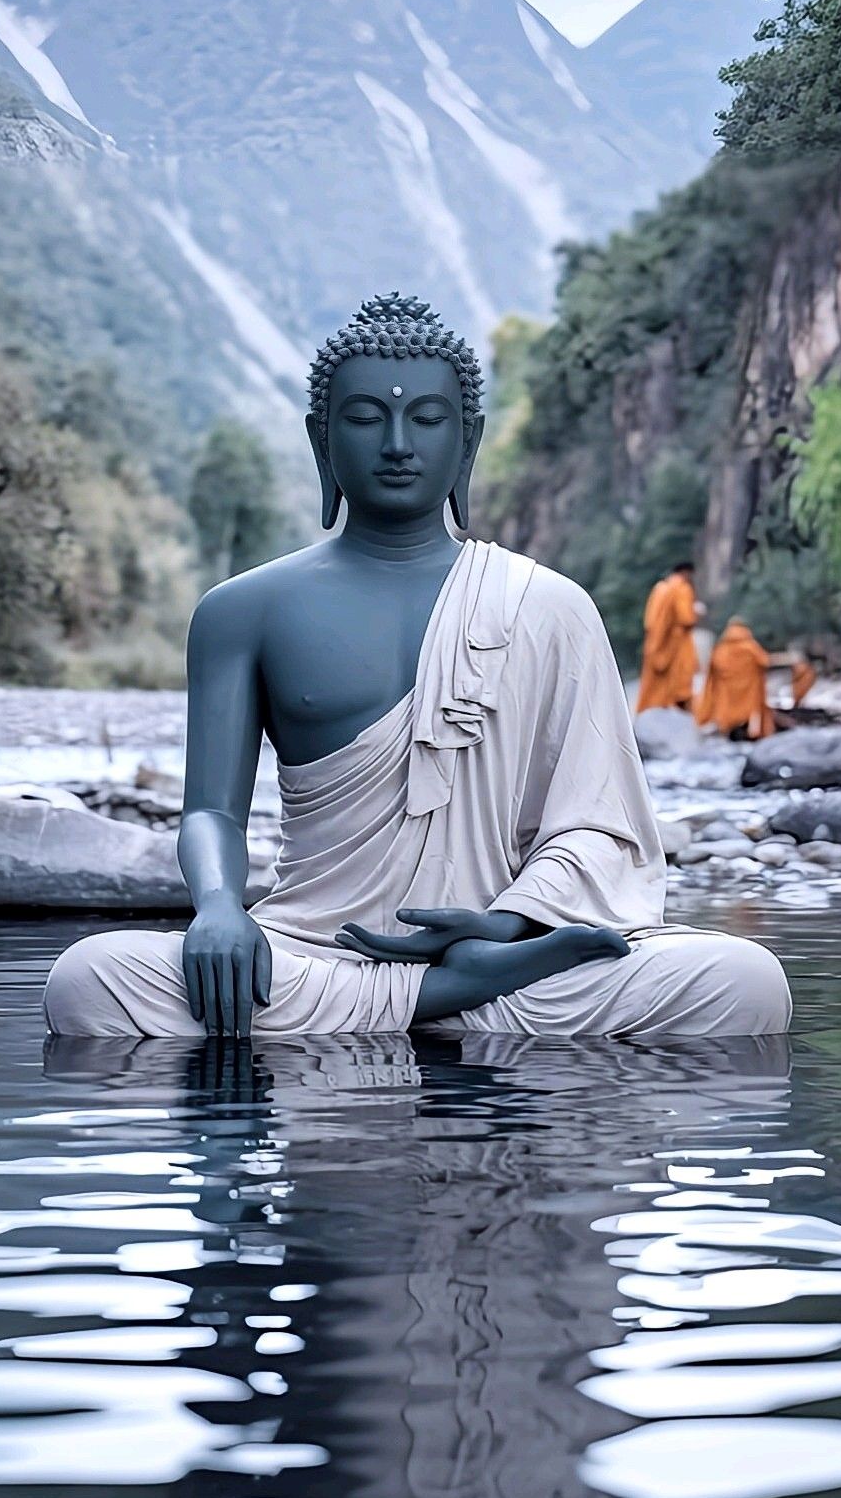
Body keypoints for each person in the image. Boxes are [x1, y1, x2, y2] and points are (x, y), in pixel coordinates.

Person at [44, 294, 790, 1048]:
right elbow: (212, 812)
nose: (398, 443)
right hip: (316, 950)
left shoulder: (550, 606)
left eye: (428, 419)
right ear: (320, 441)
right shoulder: (243, 610)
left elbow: (602, 826)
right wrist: (217, 909)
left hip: (497, 949)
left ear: (467, 443)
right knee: (88, 979)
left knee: (744, 980)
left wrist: (503, 919)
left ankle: (448, 982)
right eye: (366, 418)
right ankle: (447, 995)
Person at [695, 616, 775, 740]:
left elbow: (712, 668)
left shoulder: (721, 649)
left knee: (726, 720)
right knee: (751, 715)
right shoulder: (751, 647)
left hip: (727, 696)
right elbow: (765, 661)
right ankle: (752, 733)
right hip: (749, 694)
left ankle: (725, 733)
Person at [636, 562, 702, 713]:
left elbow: (650, 620)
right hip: (677, 643)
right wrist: (695, 612)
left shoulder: (659, 589)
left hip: (657, 642)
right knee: (681, 680)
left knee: (656, 684)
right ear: (686, 572)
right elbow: (686, 618)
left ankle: (652, 710)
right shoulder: (682, 589)